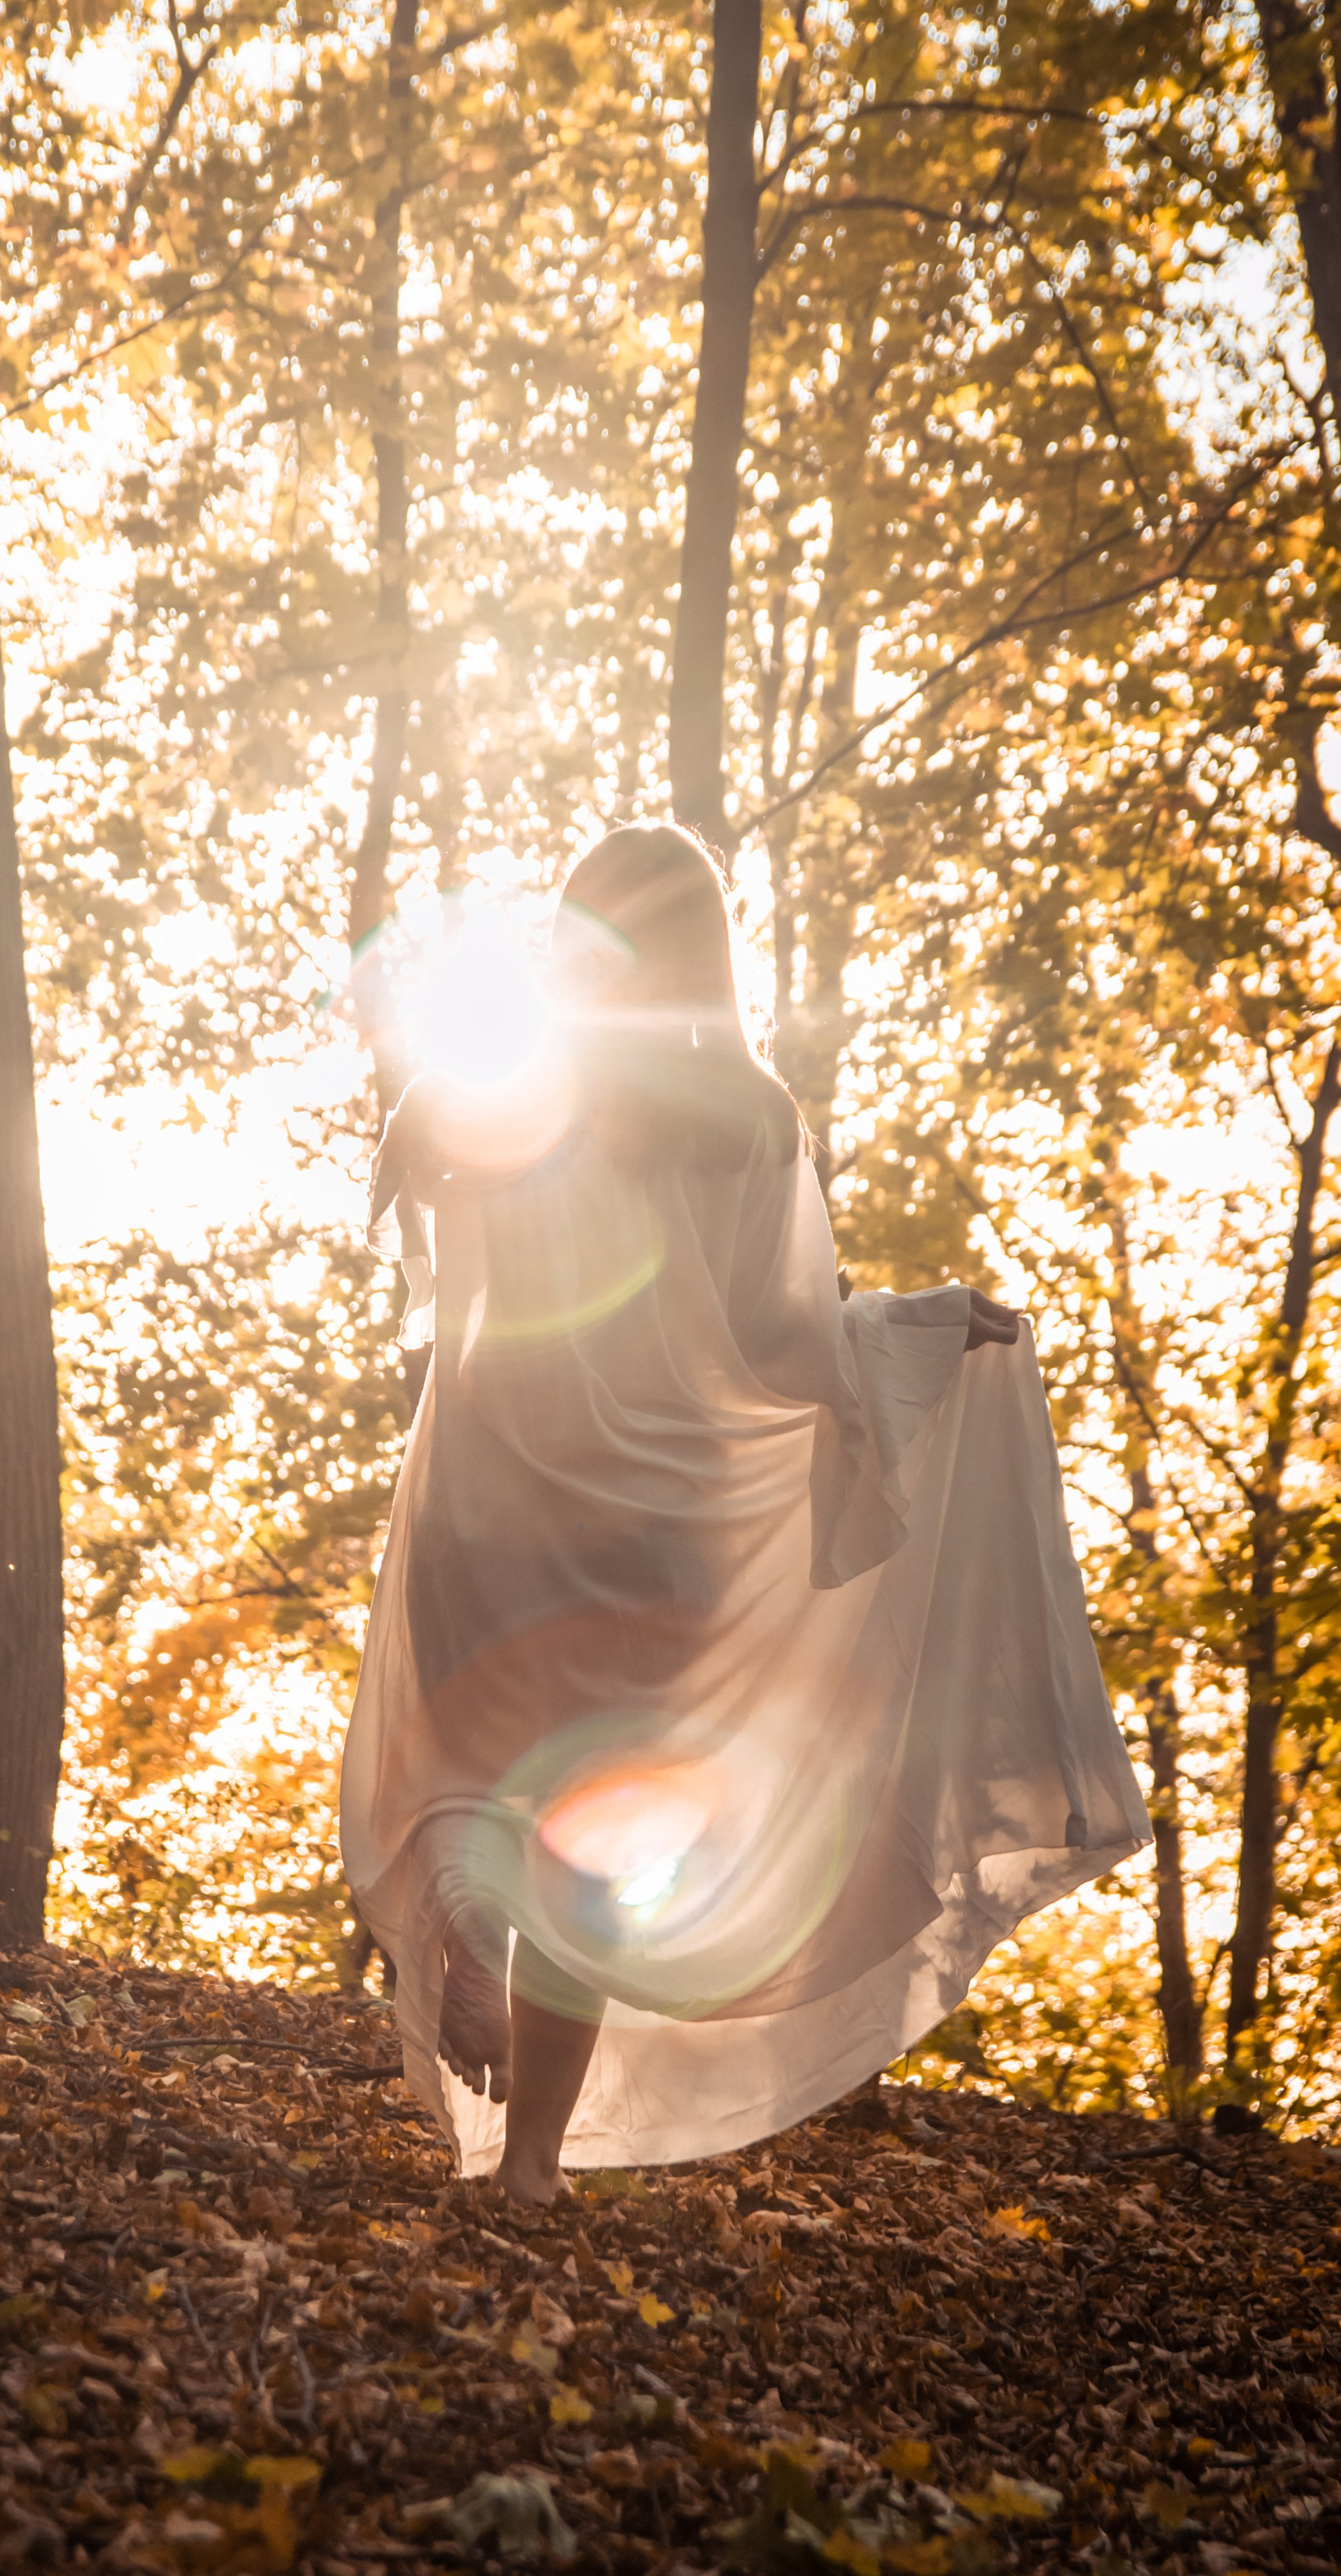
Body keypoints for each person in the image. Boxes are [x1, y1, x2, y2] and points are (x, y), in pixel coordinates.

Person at [338, 824, 1150, 2203]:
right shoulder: (753, 1121)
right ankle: (532, 2164)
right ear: (712, 953)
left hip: (492, 1492)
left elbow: (413, 1218)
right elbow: (785, 1346)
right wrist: (925, 1331)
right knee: (600, 1829)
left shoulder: (504, 1092)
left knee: (480, 1757)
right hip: (656, 1523)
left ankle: (469, 1907)